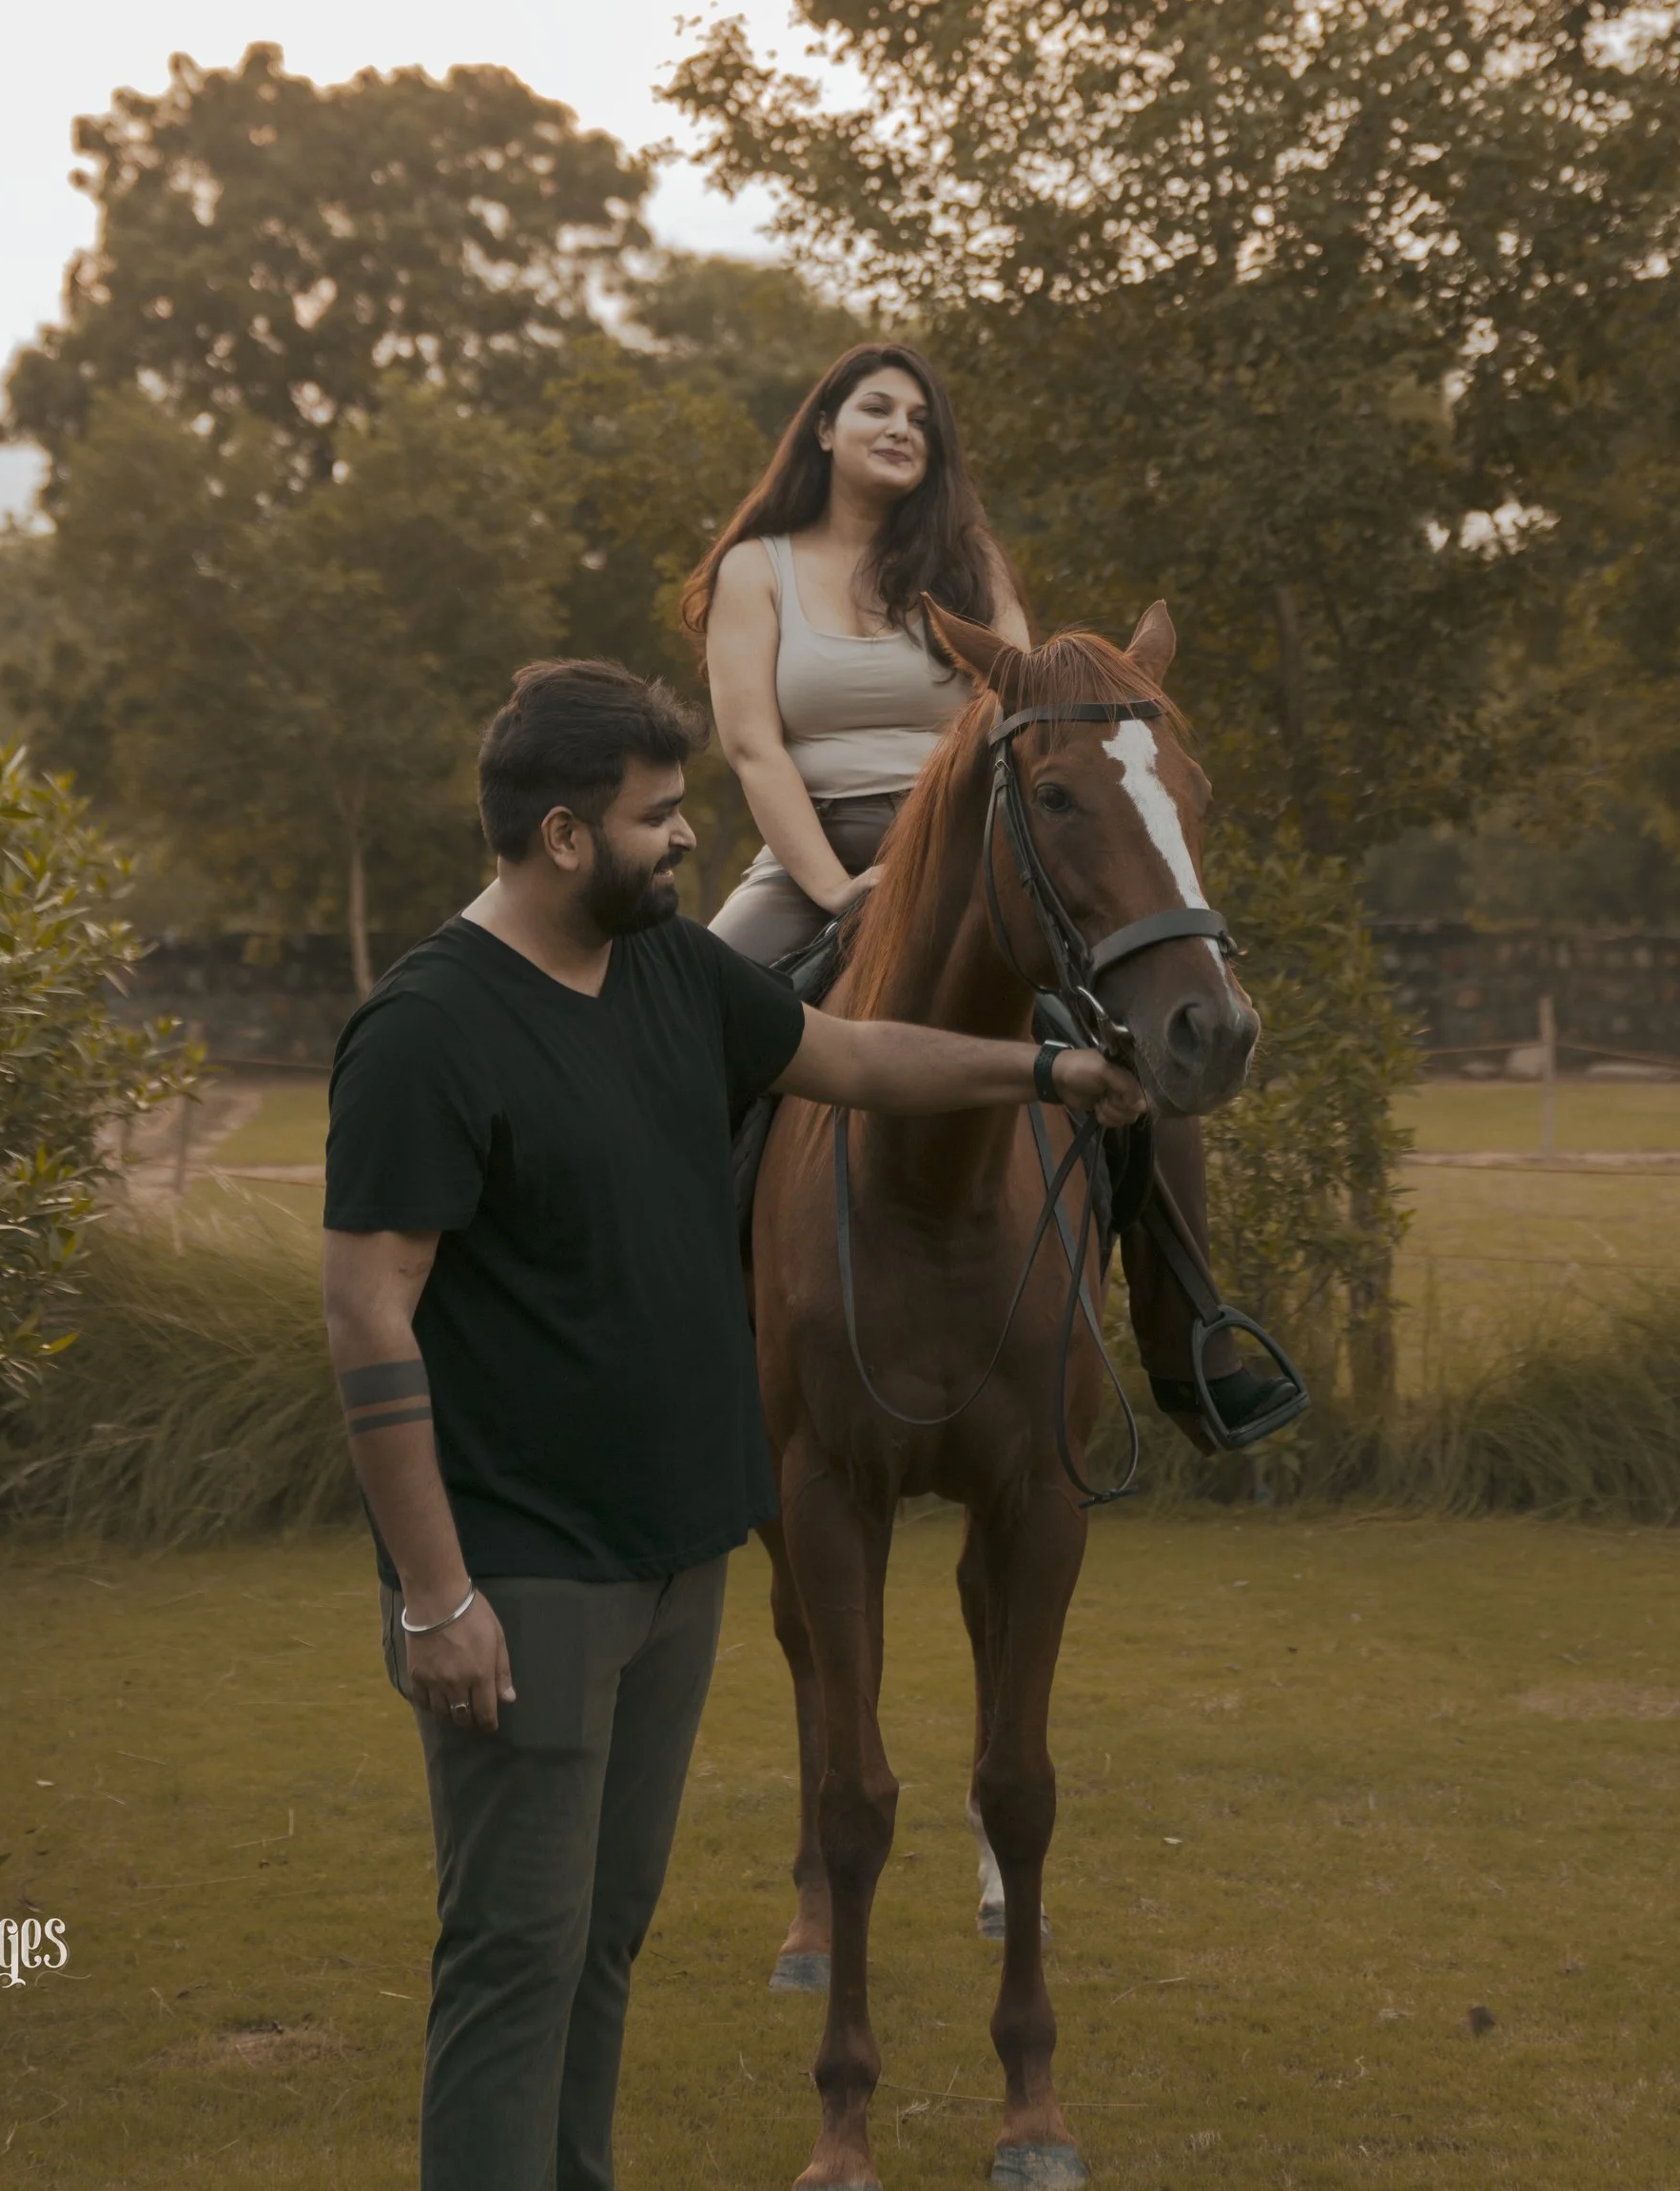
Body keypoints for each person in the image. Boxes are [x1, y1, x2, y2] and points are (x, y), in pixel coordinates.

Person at [322, 655, 1143, 2191]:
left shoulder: (674, 978)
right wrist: (436, 1593)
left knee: (605, 1940)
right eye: (659, 814)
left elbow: (856, 1055)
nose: (689, 836)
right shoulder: (425, 1029)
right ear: (565, 836)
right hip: (523, 1574)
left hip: (675, 1557)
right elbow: (367, 1315)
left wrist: (1046, 1066)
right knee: (515, 1954)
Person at [693, 336, 1280, 1447]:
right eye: (875, 406)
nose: (902, 426)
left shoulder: (971, 565)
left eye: (921, 415)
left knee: (1137, 1049)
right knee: (674, 1037)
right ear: (824, 427)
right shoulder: (755, 568)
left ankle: (1192, 1342)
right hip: (812, 856)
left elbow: (1028, 723)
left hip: (977, 859)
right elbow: (753, 747)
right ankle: (679, 1342)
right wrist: (836, 886)